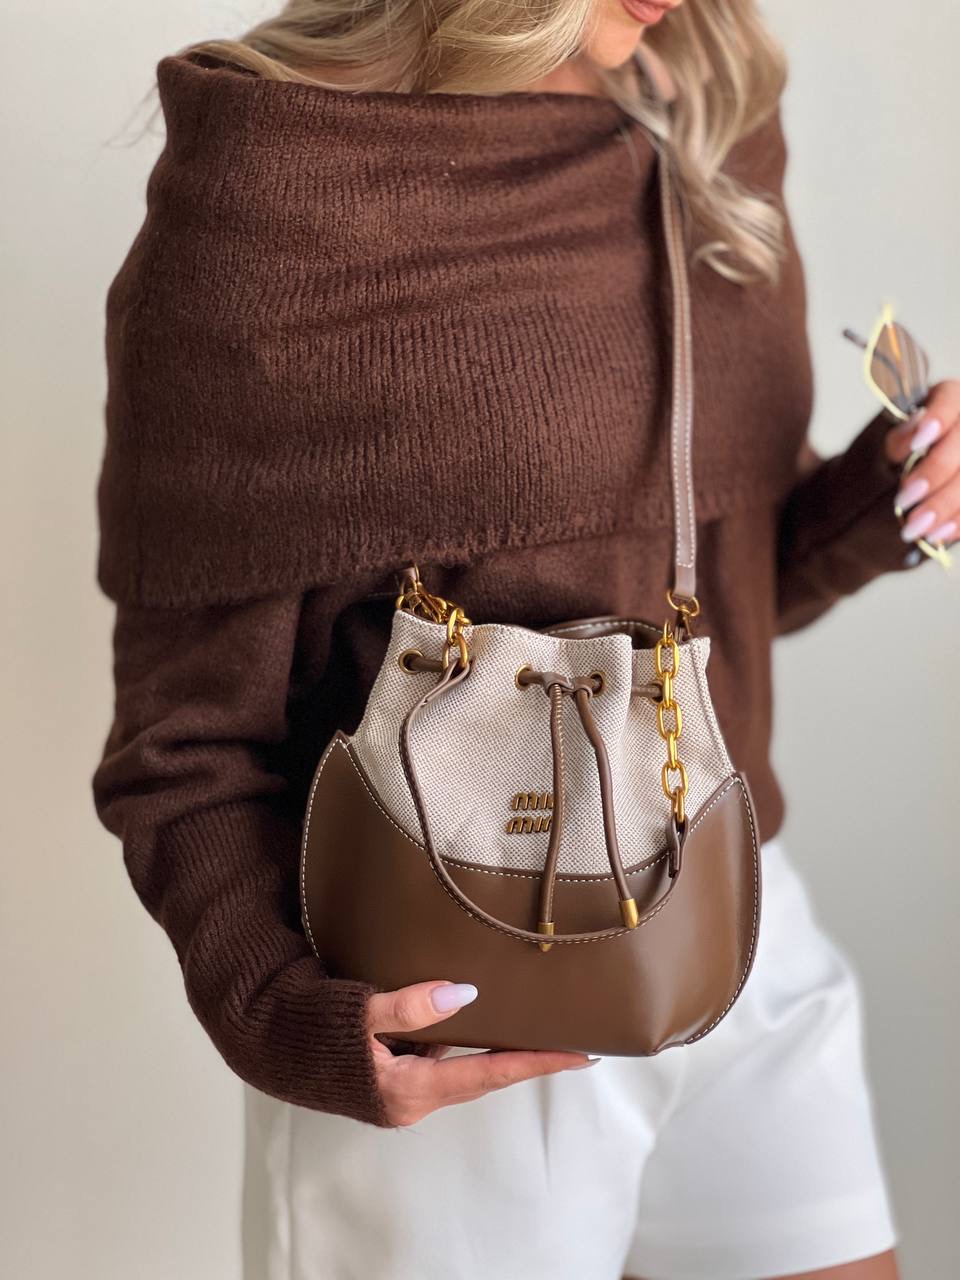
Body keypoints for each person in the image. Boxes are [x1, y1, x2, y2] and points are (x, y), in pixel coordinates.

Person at [91, 1, 959, 1276]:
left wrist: (900, 492)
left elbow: (715, 603)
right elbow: (183, 738)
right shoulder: (277, 179)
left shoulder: (702, 124)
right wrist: (283, 1010)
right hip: (451, 991)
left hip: (726, 915)